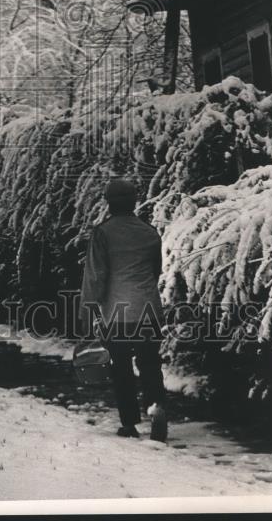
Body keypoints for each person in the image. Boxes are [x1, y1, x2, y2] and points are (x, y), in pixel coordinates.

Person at [79, 177, 168, 442]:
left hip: (117, 314)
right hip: (148, 311)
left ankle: (129, 423)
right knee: (150, 365)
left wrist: (89, 311)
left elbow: (96, 276)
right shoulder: (149, 232)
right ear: (134, 201)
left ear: (108, 203)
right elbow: (155, 271)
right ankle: (157, 410)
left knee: (121, 368)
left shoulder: (103, 233)